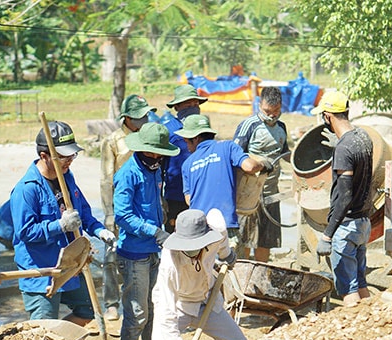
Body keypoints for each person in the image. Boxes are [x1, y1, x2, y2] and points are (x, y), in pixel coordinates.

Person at [10, 121, 116, 326]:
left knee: (87, 310)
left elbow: (82, 212)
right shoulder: (27, 189)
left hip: (68, 266)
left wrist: (100, 231)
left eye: (72, 155)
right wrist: (59, 226)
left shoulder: (67, 177)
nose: (69, 161)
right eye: (63, 156)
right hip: (41, 272)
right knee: (43, 328)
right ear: (44, 156)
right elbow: (25, 232)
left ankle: (62, 339)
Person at [113, 122, 180, 340]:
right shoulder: (128, 174)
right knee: (136, 316)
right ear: (143, 149)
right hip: (134, 254)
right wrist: (154, 232)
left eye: (160, 154)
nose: (157, 157)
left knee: (154, 314)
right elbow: (123, 216)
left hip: (153, 252)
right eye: (153, 153)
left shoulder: (155, 169)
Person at [151, 208, 245, 340]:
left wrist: (226, 254)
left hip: (207, 302)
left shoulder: (216, 233)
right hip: (178, 305)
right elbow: (166, 309)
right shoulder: (170, 262)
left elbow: (219, 224)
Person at [174, 114, 269, 258]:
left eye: (187, 141)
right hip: (225, 228)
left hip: (199, 232)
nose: (187, 146)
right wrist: (264, 164)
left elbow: (189, 199)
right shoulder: (227, 147)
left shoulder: (187, 164)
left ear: (196, 138)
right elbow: (249, 167)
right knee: (234, 274)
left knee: (204, 276)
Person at [311, 91, 373, 307]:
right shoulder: (363, 137)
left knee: (348, 290)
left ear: (328, 116)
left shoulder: (344, 148)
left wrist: (327, 236)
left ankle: (357, 332)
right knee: (360, 283)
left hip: (346, 227)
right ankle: (372, 324)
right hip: (363, 224)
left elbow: (344, 197)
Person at [100, 94, 157, 321]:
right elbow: (106, 178)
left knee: (143, 254)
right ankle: (111, 303)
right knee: (112, 254)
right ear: (127, 118)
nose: (144, 119)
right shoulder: (113, 141)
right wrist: (109, 213)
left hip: (144, 203)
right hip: (121, 203)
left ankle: (141, 298)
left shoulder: (148, 135)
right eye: (139, 116)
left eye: (146, 114)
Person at [233, 86, 289, 262]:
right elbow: (234, 157)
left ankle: (261, 276)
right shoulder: (249, 126)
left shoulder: (282, 127)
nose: (272, 115)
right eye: (267, 111)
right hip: (248, 194)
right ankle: (242, 275)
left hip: (271, 193)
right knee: (245, 239)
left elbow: (285, 154)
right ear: (259, 105)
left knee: (266, 240)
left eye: (276, 111)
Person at [159, 84, 208, 232]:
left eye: (196, 103)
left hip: (201, 194)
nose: (194, 106)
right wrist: (159, 198)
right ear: (177, 106)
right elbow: (158, 166)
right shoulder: (168, 130)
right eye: (188, 103)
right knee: (176, 239)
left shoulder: (203, 127)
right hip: (176, 197)